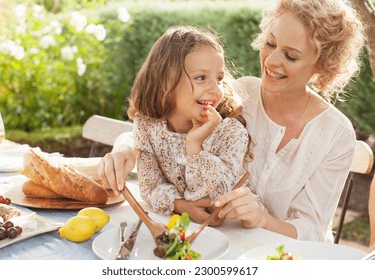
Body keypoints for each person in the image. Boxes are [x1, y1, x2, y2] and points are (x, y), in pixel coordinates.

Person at [98, 0, 365, 242]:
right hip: (221, 244)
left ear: (323, 65)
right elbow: (167, 126)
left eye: (291, 56)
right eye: (271, 44)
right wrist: (125, 148)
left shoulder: (335, 133)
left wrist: (263, 220)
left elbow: (313, 231)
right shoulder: (239, 94)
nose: (271, 61)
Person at [116, 25, 252, 222]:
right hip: (185, 229)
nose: (216, 89)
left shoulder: (230, 133)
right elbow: (150, 187)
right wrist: (181, 206)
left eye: (219, 79)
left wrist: (194, 148)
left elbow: (216, 199)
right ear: (166, 82)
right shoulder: (148, 126)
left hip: (237, 232)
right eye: (201, 78)